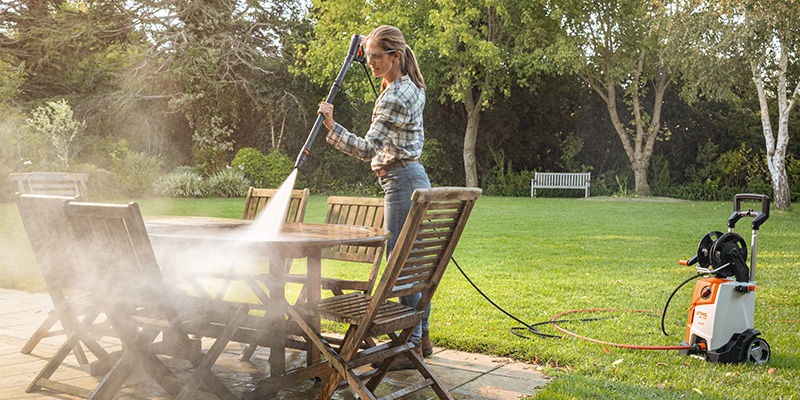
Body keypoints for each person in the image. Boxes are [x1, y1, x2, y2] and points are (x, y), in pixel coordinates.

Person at [316, 25, 432, 369]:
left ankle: (408, 345)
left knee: (400, 262)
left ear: (395, 55)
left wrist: (332, 127)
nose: (370, 63)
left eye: (376, 57)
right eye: (367, 58)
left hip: (401, 180)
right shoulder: (409, 86)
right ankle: (419, 338)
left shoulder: (396, 95)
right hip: (410, 177)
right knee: (412, 262)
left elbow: (368, 148)